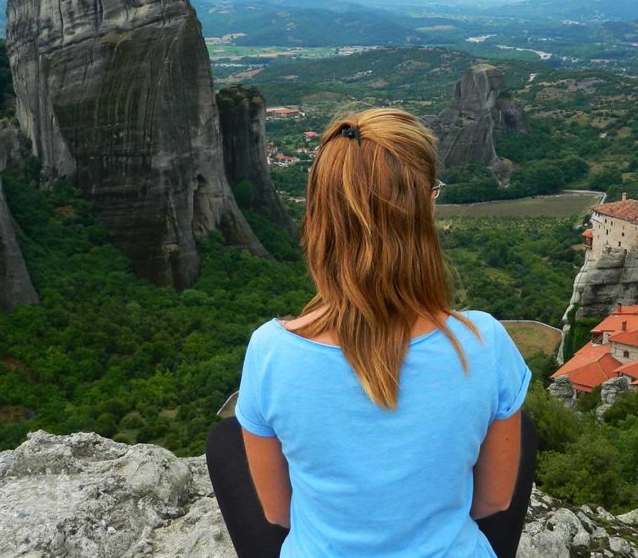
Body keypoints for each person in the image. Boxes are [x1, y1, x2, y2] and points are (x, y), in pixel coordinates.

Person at [206, 108, 536, 557]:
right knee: (514, 415)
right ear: (426, 206)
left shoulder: (271, 352)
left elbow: (278, 516)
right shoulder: (483, 342)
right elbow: (494, 502)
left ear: (320, 215)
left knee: (225, 440)